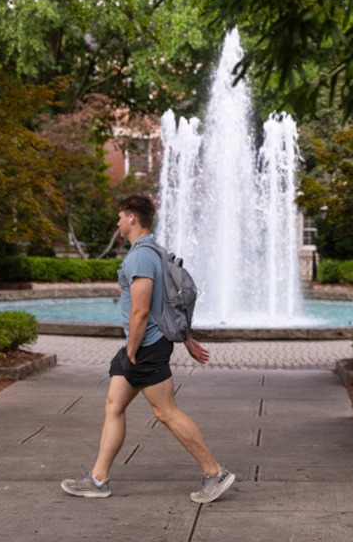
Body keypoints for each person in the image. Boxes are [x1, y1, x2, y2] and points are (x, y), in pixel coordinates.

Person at [61, 195, 234, 503]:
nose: (117, 223)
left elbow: (142, 310)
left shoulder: (141, 256)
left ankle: (214, 472)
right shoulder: (154, 251)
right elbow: (167, 305)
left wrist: (132, 350)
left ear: (131, 219)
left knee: (165, 412)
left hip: (145, 347)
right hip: (144, 345)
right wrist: (187, 339)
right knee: (113, 405)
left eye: (119, 217)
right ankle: (98, 480)